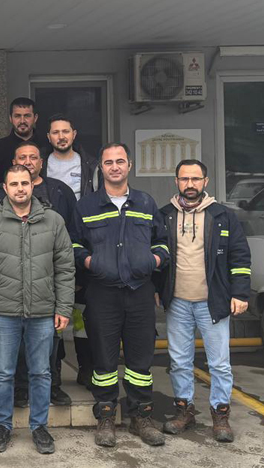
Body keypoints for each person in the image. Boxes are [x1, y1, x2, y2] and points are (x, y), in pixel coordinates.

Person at [73, 143, 169, 448]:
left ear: (129, 165)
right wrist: (91, 262)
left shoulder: (146, 202)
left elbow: (162, 242)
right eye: (108, 162)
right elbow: (74, 245)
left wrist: (153, 260)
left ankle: (141, 416)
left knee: (141, 358)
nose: (114, 167)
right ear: (101, 168)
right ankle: (105, 416)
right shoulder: (86, 206)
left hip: (139, 291)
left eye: (120, 161)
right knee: (103, 358)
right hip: (102, 293)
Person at [0, 165, 74, 455]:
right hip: (4, 313)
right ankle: (2, 426)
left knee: (41, 372)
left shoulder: (53, 221)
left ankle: (39, 427)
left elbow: (65, 268)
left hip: (43, 312)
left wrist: (63, 307)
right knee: (3, 372)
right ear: (5, 188)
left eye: (24, 183)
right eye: (14, 184)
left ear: (32, 186)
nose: (20, 188)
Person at [157, 160, 250, 443]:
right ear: (176, 181)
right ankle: (184, 411)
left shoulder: (223, 216)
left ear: (205, 182)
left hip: (213, 302)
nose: (190, 184)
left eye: (195, 179)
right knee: (179, 362)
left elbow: (240, 256)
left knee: (219, 363)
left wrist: (240, 293)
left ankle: (220, 415)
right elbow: (156, 255)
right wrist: (157, 289)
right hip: (178, 302)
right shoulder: (164, 215)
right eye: (184, 179)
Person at [0, 141, 78, 406]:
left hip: (45, 296)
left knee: (48, 355)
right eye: (22, 157)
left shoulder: (58, 200)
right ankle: (17, 398)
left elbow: (68, 253)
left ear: (41, 165)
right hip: (9, 298)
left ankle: (50, 398)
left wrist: (64, 302)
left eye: (33, 157)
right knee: (12, 358)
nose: (28, 162)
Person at [0, 97, 49, 183]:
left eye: (27, 116)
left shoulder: (47, 143)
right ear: (10, 118)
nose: (22, 121)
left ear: (35, 118)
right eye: (17, 116)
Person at [44, 114, 100, 200]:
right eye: (55, 132)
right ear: (49, 137)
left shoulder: (90, 165)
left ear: (74, 134)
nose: (61, 137)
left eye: (66, 131)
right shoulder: (40, 164)